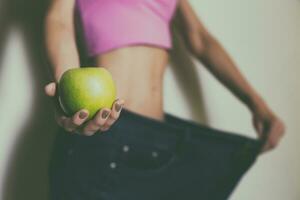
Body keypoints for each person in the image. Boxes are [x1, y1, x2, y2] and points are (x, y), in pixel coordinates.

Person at [44, 0, 285, 199]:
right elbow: (59, 20)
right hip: (103, 133)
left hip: (158, 142)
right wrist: (66, 92)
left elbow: (199, 39)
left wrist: (257, 104)